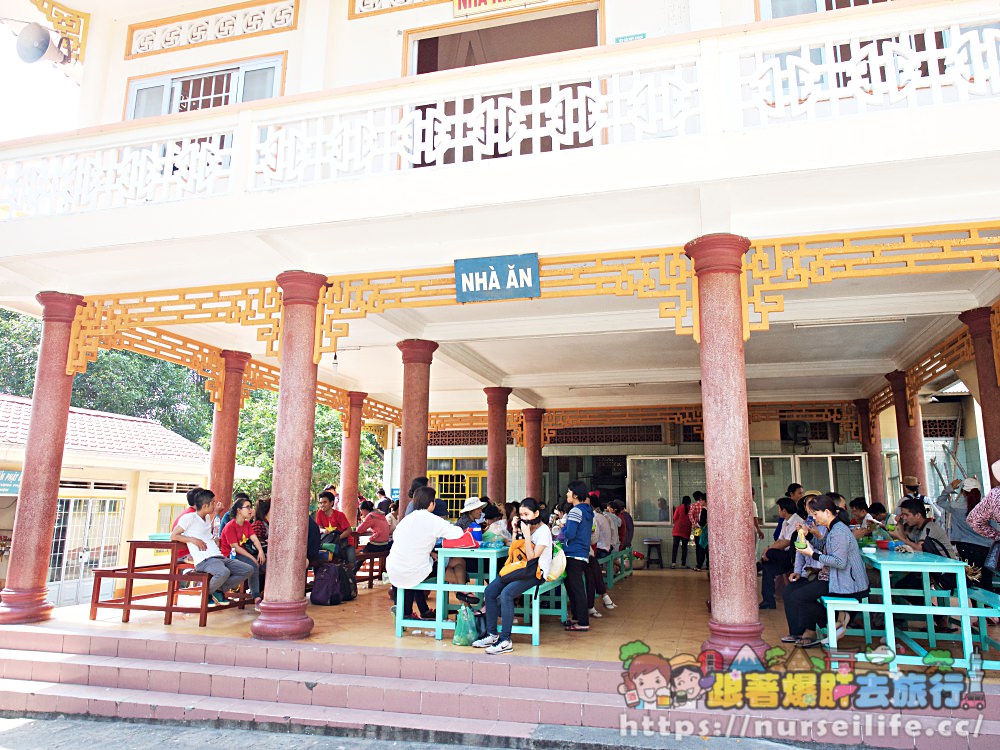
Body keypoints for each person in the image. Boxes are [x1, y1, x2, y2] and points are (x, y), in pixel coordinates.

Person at [472, 498, 553, 654]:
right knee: (490, 591)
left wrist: (527, 535)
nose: (524, 518)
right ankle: (492, 634)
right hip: (520, 568)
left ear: (536, 513)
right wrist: (516, 533)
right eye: (521, 514)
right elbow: (513, 552)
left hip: (536, 572)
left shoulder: (544, 532)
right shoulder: (526, 528)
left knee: (507, 593)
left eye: (527, 514)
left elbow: (532, 559)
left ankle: (505, 640)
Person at [789, 494, 869, 648]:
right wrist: (811, 537)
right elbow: (826, 547)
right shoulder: (833, 528)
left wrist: (812, 554)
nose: (813, 518)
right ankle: (837, 620)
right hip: (834, 577)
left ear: (826, 512)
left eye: (815, 514)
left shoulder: (838, 531)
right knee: (798, 594)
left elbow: (839, 562)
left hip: (846, 582)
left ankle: (836, 621)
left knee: (799, 596)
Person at [386, 486, 464, 620]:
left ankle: (405, 612)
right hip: (415, 570)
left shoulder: (406, 520)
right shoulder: (432, 520)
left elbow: (406, 543)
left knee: (437, 566)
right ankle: (465, 600)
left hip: (394, 568)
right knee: (452, 567)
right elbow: (457, 533)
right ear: (431, 503)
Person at [171, 488, 254, 605]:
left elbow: (204, 532)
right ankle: (207, 594)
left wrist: (213, 539)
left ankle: (217, 590)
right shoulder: (188, 518)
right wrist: (193, 540)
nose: (215, 505)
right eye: (213, 503)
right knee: (223, 572)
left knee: (248, 569)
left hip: (217, 556)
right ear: (205, 505)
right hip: (205, 560)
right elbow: (174, 535)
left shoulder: (207, 518)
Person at [890, 497, 961, 632]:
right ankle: (938, 617)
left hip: (945, 571)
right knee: (903, 586)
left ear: (918, 515)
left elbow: (918, 547)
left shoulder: (930, 527)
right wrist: (899, 524)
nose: (904, 518)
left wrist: (899, 537)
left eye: (906, 515)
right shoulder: (917, 528)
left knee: (905, 586)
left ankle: (939, 618)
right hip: (931, 568)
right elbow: (904, 537)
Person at [938, 477, 994, 591]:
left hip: (966, 549)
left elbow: (940, 501)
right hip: (987, 550)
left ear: (963, 492)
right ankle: (991, 606)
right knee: (986, 580)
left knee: (973, 581)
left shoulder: (956, 507)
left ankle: (977, 606)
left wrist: (950, 488)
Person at [219, 496, 266, 603]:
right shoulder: (230, 526)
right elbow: (235, 547)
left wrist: (260, 552)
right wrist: (252, 558)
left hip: (242, 553)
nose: (251, 510)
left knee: (264, 563)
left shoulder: (246, 524)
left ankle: (267, 593)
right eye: (248, 507)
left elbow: (254, 539)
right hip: (231, 555)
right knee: (253, 565)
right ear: (239, 510)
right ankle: (256, 596)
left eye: (251, 507)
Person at [562, 481, 595, 631]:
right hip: (582, 553)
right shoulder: (587, 510)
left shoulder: (575, 511)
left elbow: (570, 533)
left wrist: (563, 527)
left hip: (573, 554)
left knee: (576, 589)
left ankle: (582, 622)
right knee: (574, 587)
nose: (567, 494)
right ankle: (576, 617)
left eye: (569, 492)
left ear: (575, 494)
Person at [759, 497, 804, 610]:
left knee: (770, 554)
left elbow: (787, 542)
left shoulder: (796, 521)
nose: (778, 512)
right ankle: (768, 601)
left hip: (793, 556)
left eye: (779, 509)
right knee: (767, 568)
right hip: (783, 556)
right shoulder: (785, 522)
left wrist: (768, 550)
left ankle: (757, 566)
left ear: (784, 510)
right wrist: (768, 549)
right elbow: (780, 540)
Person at [589, 497, 616, 615]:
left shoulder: (594, 517)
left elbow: (594, 538)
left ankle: (595, 603)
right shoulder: (604, 516)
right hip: (606, 548)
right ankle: (604, 596)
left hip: (600, 549)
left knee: (591, 565)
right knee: (591, 566)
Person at [315, 490, 357, 567]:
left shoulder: (339, 515)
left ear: (331, 503)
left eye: (325, 502)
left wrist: (337, 538)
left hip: (345, 543)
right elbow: (319, 528)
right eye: (321, 503)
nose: (322, 505)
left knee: (350, 563)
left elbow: (348, 530)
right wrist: (323, 530)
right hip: (329, 542)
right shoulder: (320, 513)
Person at [671, 497, 692, 569]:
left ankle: (673, 563)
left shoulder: (678, 508)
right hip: (686, 531)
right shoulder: (691, 509)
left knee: (675, 547)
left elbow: (674, 518)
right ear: (689, 502)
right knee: (684, 548)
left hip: (677, 530)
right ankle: (683, 564)